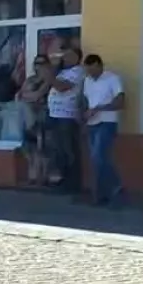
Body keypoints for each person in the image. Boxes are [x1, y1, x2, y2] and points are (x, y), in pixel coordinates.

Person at [82, 54, 126, 205]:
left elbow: (120, 102)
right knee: (99, 160)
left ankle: (108, 188)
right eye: (88, 71)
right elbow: (86, 100)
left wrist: (100, 108)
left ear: (100, 65)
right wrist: (84, 113)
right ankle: (107, 191)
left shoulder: (112, 79)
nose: (91, 74)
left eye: (93, 70)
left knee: (98, 157)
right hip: (91, 124)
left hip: (107, 122)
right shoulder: (87, 81)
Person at [46, 48, 85, 191]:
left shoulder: (78, 71)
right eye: (65, 55)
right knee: (57, 149)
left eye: (70, 55)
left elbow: (61, 87)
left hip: (67, 116)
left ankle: (73, 183)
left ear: (77, 58)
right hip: (55, 114)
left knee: (68, 149)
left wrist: (49, 74)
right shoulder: (62, 71)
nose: (66, 58)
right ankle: (61, 180)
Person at [17, 55, 54, 186]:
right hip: (29, 119)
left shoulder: (50, 80)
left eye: (42, 63)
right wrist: (29, 96)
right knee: (29, 148)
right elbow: (19, 96)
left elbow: (38, 95)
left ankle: (43, 176)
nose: (39, 66)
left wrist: (29, 96)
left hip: (43, 117)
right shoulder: (30, 79)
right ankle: (32, 175)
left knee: (43, 149)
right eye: (36, 63)